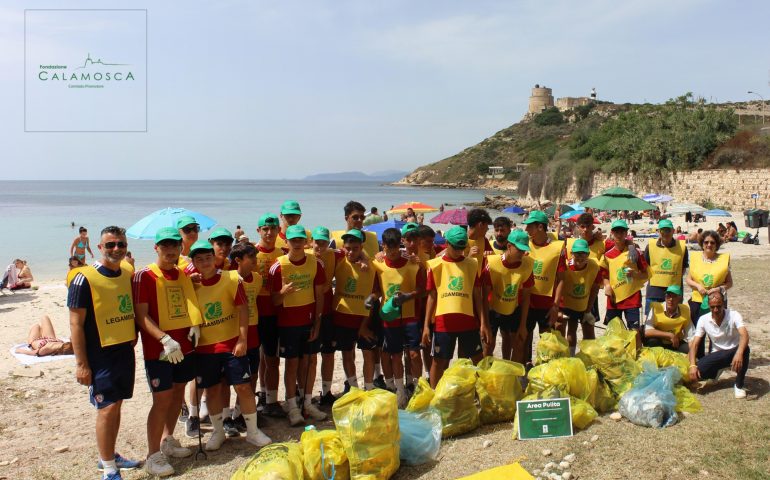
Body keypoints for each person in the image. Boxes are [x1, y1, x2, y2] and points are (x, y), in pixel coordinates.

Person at [67, 226, 141, 480]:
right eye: (110, 245)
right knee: (106, 408)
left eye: (121, 244)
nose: (116, 249)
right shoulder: (83, 278)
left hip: (124, 350)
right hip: (99, 354)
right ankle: (109, 468)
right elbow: (76, 324)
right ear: (100, 248)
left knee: (116, 405)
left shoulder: (127, 272)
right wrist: (81, 364)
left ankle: (109, 455)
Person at [188, 239, 271, 450]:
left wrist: (242, 339)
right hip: (205, 348)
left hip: (232, 344)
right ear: (194, 263)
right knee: (213, 390)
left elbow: (243, 309)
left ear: (215, 259)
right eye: (200, 260)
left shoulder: (232, 278)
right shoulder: (189, 284)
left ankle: (252, 432)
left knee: (243, 386)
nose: (205, 262)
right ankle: (218, 432)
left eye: (208, 258)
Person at [133, 227, 202, 476]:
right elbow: (141, 315)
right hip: (159, 349)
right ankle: (153, 455)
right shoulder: (144, 276)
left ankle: (168, 439)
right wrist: (164, 338)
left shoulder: (183, 274)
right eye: (165, 245)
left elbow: (188, 303)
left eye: (175, 245)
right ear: (156, 248)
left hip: (184, 346)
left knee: (178, 393)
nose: (171, 250)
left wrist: (195, 324)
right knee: (161, 399)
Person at [268, 225, 327, 426]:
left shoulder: (316, 263)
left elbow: (319, 295)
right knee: (291, 364)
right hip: (288, 324)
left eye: (300, 240)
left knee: (310, 362)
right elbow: (274, 301)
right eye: (293, 240)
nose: (297, 243)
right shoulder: (278, 265)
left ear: (306, 242)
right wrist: (283, 293)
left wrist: (318, 324)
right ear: (287, 242)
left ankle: (308, 402)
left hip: (309, 321)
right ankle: (292, 406)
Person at [422, 226, 490, 387]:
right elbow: (432, 296)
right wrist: (426, 325)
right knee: (439, 362)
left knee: (477, 359)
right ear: (447, 243)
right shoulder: (435, 265)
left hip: (467, 321)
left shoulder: (472, 264)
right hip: (443, 322)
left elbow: (477, 296)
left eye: (462, 247)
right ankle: (434, 397)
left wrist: (483, 323)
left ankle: (482, 394)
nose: (459, 251)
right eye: (456, 247)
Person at [372, 227, 423, 407]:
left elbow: (420, 290)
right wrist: (371, 298)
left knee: (414, 354)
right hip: (390, 317)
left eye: (395, 249)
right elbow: (376, 289)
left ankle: (417, 387)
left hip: (410, 316)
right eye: (388, 249)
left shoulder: (412, 264)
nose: (392, 253)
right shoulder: (377, 264)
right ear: (383, 246)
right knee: (394, 355)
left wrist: (407, 297)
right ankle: (400, 391)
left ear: (399, 245)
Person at [332, 229, 380, 393]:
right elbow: (318, 249)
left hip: (364, 319)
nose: (351, 251)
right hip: (343, 316)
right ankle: (353, 388)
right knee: (347, 353)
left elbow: (376, 293)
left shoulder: (371, 266)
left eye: (355, 248)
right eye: (348, 248)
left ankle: (369, 388)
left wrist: (364, 325)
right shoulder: (338, 260)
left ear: (362, 247)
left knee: (368, 354)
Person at [522, 211, 566, 366]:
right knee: (525, 338)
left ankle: (544, 369)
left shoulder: (556, 248)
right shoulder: (524, 244)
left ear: (540, 227)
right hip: (527, 302)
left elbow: (561, 279)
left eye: (529, 226)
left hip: (547, 304)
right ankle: (526, 366)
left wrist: (556, 306)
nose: (526, 230)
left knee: (546, 340)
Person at [253, 214, 286, 419]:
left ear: (277, 231)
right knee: (257, 360)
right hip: (254, 315)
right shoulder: (251, 253)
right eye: (264, 228)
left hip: (275, 314)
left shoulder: (282, 254)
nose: (268, 232)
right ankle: (261, 396)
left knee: (272, 359)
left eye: (272, 228)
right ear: (258, 231)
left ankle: (271, 400)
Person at [483, 230, 534, 362]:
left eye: (524, 250)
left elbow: (527, 297)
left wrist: (523, 325)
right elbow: (483, 295)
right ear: (509, 246)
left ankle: (512, 376)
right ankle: (484, 376)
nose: (522, 254)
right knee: (488, 345)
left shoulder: (527, 264)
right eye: (520, 250)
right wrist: (485, 324)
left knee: (518, 344)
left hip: (513, 308)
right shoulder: (492, 264)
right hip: (493, 308)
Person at [688, 291, 750, 399]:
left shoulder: (734, 315)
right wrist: (692, 365)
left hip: (735, 351)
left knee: (745, 349)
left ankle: (739, 385)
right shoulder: (703, 319)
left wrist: (739, 353)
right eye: (712, 307)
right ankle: (717, 371)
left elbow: (745, 335)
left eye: (718, 306)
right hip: (717, 353)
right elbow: (694, 345)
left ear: (724, 304)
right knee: (699, 372)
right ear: (709, 306)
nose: (716, 310)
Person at [602, 219, 649, 349]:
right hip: (614, 298)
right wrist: (607, 286)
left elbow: (646, 274)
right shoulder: (607, 255)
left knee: (634, 331)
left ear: (626, 233)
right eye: (616, 231)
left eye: (622, 231)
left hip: (631, 297)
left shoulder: (635, 253)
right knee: (613, 331)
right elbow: (604, 275)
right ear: (612, 233)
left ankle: (638, 355)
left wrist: (635, 275)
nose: (619, 234)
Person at [685, 230, 732, 358]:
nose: (709, 245)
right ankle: (699, 358)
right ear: (702, 244)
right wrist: (698, 286)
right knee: (698, 331)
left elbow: (729, 283)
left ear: (717, 244)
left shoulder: (723, 260)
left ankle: (714, 358)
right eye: (706, 242)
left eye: (712, 242)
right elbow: (688, 279)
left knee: (716, 330)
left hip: (717, 301)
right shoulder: (695, 258)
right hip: (697, 301)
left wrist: (719, 288)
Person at [309, 226, 340, 406]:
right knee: (309, 358)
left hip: (328, 312)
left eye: (323, 243)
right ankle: (303, 394)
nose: (319, 246)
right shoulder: (303, 255)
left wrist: (367, 258)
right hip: (308, 312)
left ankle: (326, 392)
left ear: (328, 243)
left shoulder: (334, 254)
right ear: (310, 242)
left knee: (328, 354)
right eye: (316, 242)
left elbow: (355, 253)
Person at [558, 239, 602, 356]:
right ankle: (564, 356)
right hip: (564, 304)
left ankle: (578, 356)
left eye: (583, 253)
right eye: (577, 253)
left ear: (588, 254)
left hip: (582, 304)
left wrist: (588, 310)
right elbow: (557, 285)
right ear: (571, 253)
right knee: (561, 330)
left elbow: (595, 288)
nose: (580, 257)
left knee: (576, 329)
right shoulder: (566, 266)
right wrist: (556, 307)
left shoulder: (594, 266)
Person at [643, 219, 689, 315]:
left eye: (668, 230)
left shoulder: (682, 247)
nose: (665, 233)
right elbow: (645, 266)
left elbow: (683, 268)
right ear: (659, 231)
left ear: (673, 231)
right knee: (651, 322)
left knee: (673, 321)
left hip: (674, 292)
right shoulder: (650, 246)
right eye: (663, 230)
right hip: (654, 291)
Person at [644, 285, 692, 353]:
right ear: (665, 297)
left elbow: (691, 335)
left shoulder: (685, 310)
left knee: (689, 349)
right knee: (652, 342)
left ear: (680, 299)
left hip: (675, 343)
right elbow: (647, 331)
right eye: (668, 296)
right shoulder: (656, 308)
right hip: (659, 341)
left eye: (674, 296)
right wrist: (669, 335)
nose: (671, 299)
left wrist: (691, 349)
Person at [465, 208, 493, 274]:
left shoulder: (484, 240)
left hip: (480, 282)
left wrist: (490, 255)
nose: (487, 229)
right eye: (487, 226)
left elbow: (493, 258)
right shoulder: (461, 241)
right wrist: (469, 257)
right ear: (480, 225)